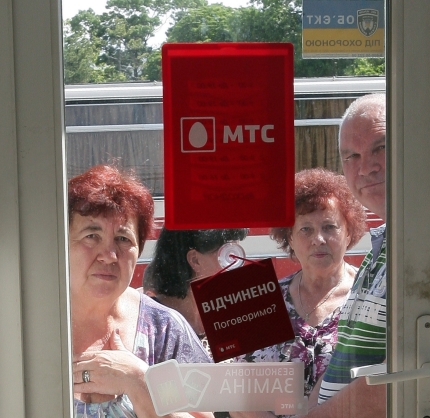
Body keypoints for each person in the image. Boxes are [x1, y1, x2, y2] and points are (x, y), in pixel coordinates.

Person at [68, 164, 212, 418]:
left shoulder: (163, 330)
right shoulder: (25, 327)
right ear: (61, 242)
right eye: (91, 235)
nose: (109, 255)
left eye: (123, 239)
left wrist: (139, 381)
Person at [231, 167, 367, 418]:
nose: (319, 239)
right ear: (290, 238)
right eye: (305, 229)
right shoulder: (263, 300)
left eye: (329, 227)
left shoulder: (369, 297)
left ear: (348, 233)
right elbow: (238, 392)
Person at [309, 93, 387, 417]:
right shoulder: (380, 250)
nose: (366, 167)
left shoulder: (426, 247)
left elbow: (395, 378)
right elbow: (343, 357)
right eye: (352, 156)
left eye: (381, 147)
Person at [143, 227, 249, 353]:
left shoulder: (237, 316)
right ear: (195, 260)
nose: (236, 265)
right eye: (228, 255)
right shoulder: (149, 323)